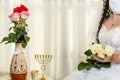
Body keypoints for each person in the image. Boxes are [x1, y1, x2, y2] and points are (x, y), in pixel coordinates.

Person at [63, 0, 120, 80]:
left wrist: (112, 57)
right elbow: (100, 46)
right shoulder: (104, 19)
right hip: (101, 66)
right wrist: (96, 55)